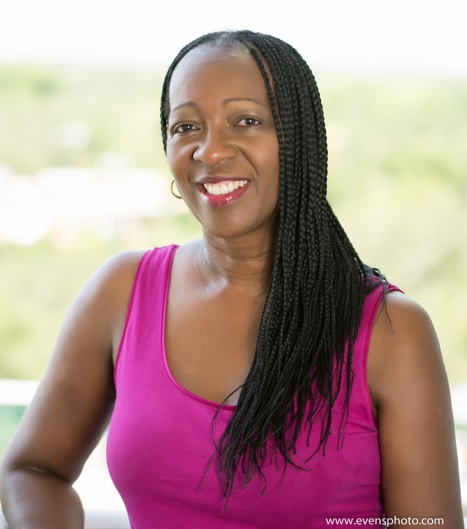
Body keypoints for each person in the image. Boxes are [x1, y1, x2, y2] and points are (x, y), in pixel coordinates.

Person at [0, 30, 463, 528]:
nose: (210, 151)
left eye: (246, 121)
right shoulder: (123, 291)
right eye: (186, 127)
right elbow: (32, 469)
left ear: (298, 141)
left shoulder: (392, 332)